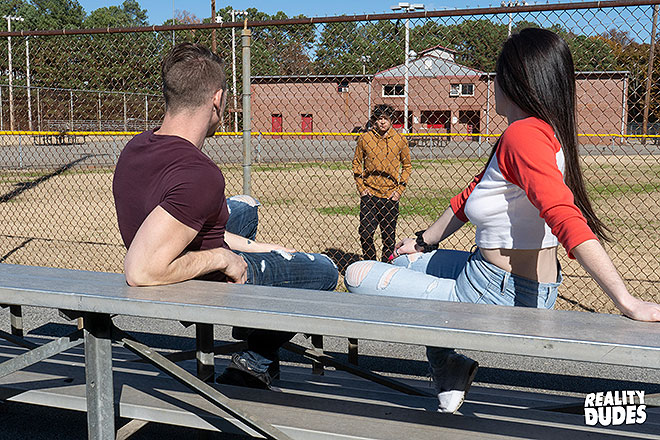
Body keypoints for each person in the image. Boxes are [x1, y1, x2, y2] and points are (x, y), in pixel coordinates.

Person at [344, 28, 660, 414]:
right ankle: (449, 367)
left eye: (495, 74)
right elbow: (469, 197)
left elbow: (564, 216)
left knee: (357, 274)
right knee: (406, 259)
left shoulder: (523, 136)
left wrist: (626, 301)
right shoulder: (536, 132)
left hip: (495, 292)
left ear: (512, 80)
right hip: (500, 278)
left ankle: (446, 365)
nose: (491, 83)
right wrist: (423, 241)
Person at [112, 42, 338, 390]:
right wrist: (223, 258)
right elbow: (140, 271)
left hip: (174, 247)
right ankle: (254, 359)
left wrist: (261, 248)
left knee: (244, 208)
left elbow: (185, 222)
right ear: (217, 99)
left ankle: (252, 324)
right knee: (325, 270)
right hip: (192, 280)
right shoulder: (199, 173)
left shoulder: (137, 146)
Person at [352, 104, 412, 262]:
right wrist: (361, 188)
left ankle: (386, 265)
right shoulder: (365, 139)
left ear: (391, 120)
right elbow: (357, 163)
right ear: (375, 120)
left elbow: (407, 166)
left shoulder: (400, 140)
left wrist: (399, 191)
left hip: (390, 196)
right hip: (370, 194)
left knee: (388, 237)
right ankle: (370, 262)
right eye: (379, 119)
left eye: (386, 118)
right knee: (365, 233)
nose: (383, 122)